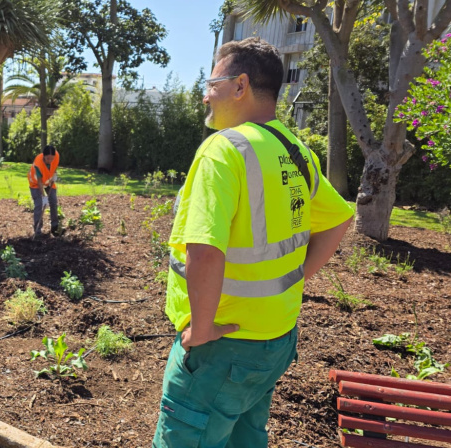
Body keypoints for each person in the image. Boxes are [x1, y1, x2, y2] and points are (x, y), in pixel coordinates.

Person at [152, 37, 353, 448]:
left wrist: (202, 330)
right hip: (275, 340)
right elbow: (338, 220)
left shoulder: (223, 150)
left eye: (212, 83)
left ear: (239, 85)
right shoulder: (295, 149)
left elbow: (204, 250)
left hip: (222, 348)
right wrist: (292, 279)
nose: (207, 95)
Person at [28, 145, 60, 237]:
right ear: (43, 156)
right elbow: (39, 182)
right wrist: (44, 197)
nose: (50, 160)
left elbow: (55, 165)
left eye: (52, 158)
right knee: (39, 205)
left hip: (49, 181)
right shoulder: (38, 163)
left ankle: (55, 227)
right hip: (35, 184)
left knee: (53, 201)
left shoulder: (56, 156)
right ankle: (37, 231)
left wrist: (54, 174)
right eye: (47, 158)